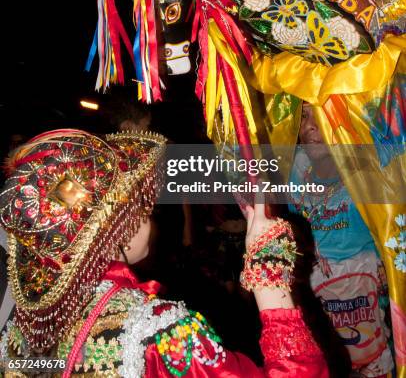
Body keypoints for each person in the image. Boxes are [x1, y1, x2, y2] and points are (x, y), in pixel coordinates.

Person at [0, 129, 328, 377]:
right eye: (138, 204)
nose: (149, 210)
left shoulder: (21, 329)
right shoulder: (160, 333)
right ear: (119, 235)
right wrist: (270, 280)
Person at [289, 103, 394, 377]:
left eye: (322, 111)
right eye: (303, 114)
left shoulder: (373, 165)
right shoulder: (294, 171)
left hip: (371, 327)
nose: (310, 125)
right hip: (322, 332)